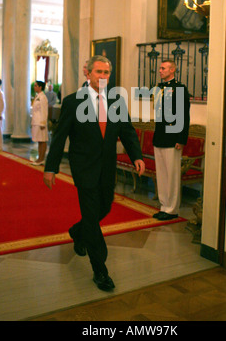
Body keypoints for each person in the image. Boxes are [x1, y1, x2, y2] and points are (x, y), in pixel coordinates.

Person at [43, 55, 145, 291]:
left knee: (105, 206)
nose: (102, 77)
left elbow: (128, 131)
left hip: (108, 167)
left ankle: (78, 232)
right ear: (86, 73)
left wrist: (137, 156)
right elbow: (60, 138)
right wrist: (51, 167)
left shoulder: (116, 100)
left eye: (106, 73)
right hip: (84, 167)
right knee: (91, 215)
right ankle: (100, 270)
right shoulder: (72, 102)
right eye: (98, 72)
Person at [152, 60, 190, 221]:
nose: (160, 70)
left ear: (172, 70)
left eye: (163, 68)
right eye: (160, 68)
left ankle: (172, 209)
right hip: (160, 136)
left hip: (173, 138)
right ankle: (163, 206)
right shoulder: (159, 88)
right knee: (161, 174)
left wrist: (181, 139)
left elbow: (183, 115)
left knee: (172, 175)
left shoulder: (180, 89)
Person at [31, 80, 49, 166]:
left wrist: (43, 123)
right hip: (36, 121)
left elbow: (44, 111)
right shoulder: (37, 96)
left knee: (42, 141)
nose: (34, 87)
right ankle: (39, 158)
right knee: (39, 141)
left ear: (40, 87)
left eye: (36, 85)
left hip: (40, 123)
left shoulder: (43, 97)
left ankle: (41, 158)